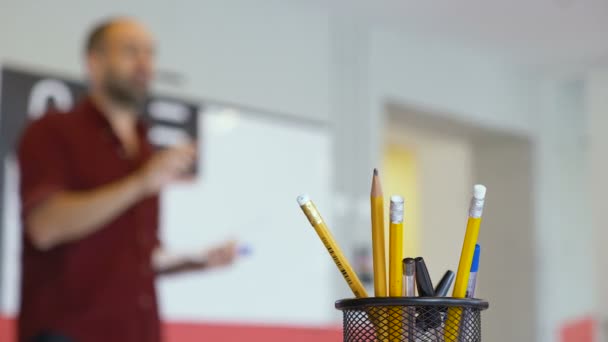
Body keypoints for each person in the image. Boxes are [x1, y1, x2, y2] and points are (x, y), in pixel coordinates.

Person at [16, 17, 237, 342]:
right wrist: (140, 184)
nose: (144, 63)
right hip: (70, 332)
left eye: (150, 53)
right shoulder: (52, 131)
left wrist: (195, 262)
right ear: (95, 62)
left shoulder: (145, 150)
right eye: (131, 51)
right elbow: (44, 227)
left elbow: (138, 258)